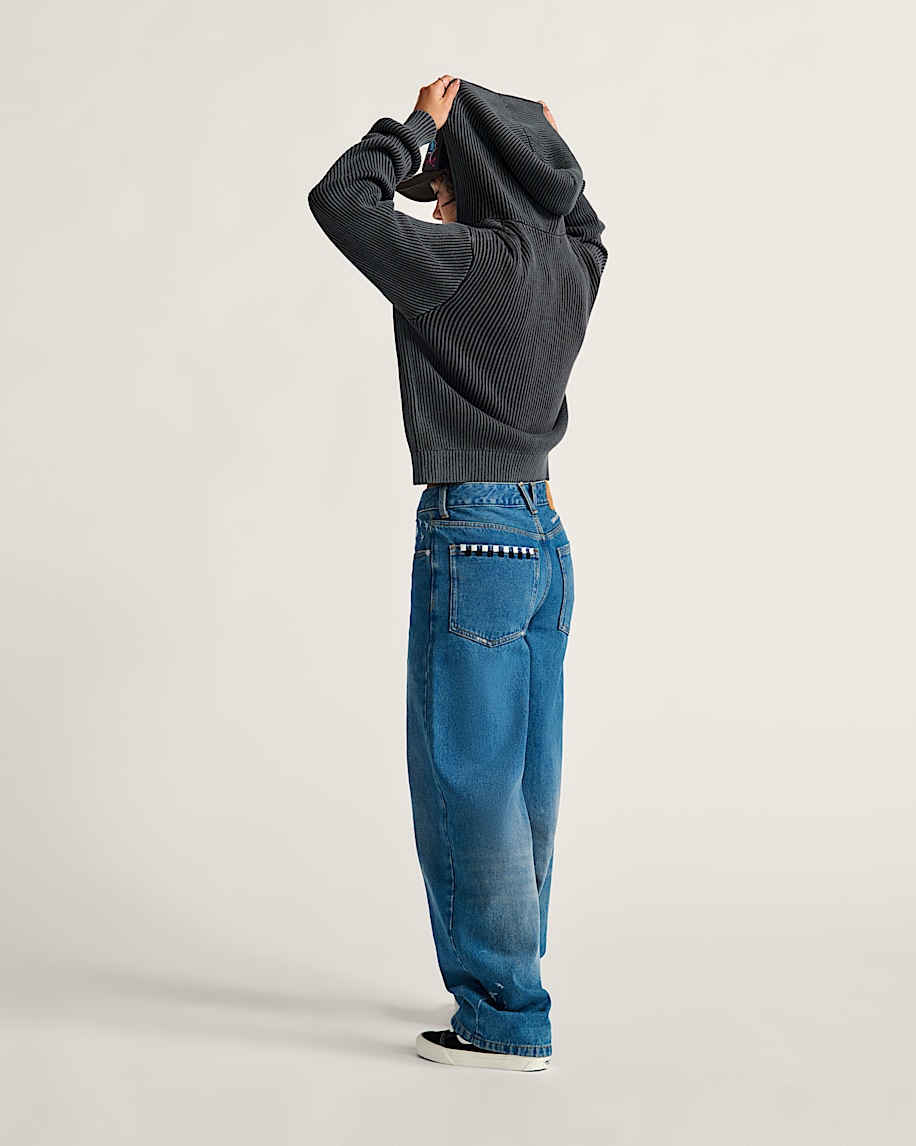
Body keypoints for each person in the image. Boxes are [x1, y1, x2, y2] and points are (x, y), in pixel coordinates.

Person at [308, 75, 607, 1071]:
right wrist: (547, 154)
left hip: (474, 531)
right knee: (524, 779)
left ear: (471, 180)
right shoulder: (570, 267)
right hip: (544, 535)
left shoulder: (464, 264)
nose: (433, 196)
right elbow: (585, 224)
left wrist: (418, 127)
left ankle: (504, 1011)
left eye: (444, 180)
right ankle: (509, 977)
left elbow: (342, 200)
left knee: (467, 777)